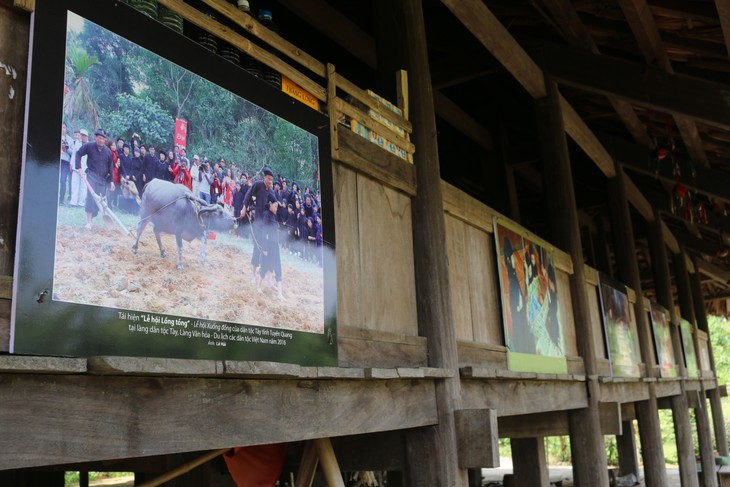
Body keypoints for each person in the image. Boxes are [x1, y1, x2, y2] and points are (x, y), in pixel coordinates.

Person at [75, 129, 114, 229]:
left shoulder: (108, 152)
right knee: (91, 198)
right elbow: (78, 153)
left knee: (99, 202)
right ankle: (89, 221)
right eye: (99, 138)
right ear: (95, 138)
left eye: (103, 139)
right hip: (91, 175)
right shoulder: (89, 146)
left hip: (102, 179)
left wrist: (112, 182)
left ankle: (92, 218)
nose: (101, 140)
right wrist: (79, 168)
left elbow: (111, 167)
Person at [241, 167, 275, 281]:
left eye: (272, 180)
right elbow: (248, 195)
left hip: (267, 225)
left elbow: (275, 205)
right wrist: (245, 208)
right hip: (257, 222)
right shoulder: (258, 185)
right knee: (257, 247)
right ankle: (253, 275)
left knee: (267, 248)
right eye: (269, 179)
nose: (270, 181)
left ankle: (265, 275)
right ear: (265, 177)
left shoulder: (271, 191)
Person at [258, 192, 284, 299]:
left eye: (277, 206)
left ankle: (279, 294)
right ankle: (258, 286)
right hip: (267, 246)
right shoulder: (266, 215)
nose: (276, 208)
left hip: (275, 245)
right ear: (270, 204)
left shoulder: (274, 215)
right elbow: (264, 233)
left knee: (278, 266)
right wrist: (264, 248)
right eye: (275, 206)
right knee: (264, 266)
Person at [69, 128, 89, 208]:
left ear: (87, 136)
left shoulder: (89, 145)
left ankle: (81, 203)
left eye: (84, 135)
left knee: (83, 187)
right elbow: (74, 154)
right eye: (82, 135)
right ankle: (73, 202)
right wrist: (71, 164)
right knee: (74, 185)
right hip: (76, 168)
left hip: (84, 168)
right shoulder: (76, 143)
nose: (83, 137)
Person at [59, 122, 74, 206]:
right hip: (57, 160)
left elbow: (73, 153)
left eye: (64, 127)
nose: (63, 129)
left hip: (65, 162)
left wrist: (67, 148)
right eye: (61, 127)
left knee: (63, 180)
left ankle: (61, 199)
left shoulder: (70, 140)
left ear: (66, 129)